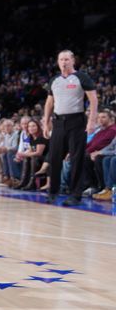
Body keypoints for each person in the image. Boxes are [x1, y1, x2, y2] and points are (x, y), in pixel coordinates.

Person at [42, 50, 98, 206]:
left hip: (77, 121)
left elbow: (93, 99)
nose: (64, 62)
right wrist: (46, 122)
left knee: (76, 159)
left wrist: (92, 121)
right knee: (54, 158)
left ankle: (75, 195)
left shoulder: (82, 77)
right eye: (61, 59)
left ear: (73, 60)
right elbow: (49, 103)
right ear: (58, 62)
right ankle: (53, 193)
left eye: (67, 59)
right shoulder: (54, 80)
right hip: (58, 122)